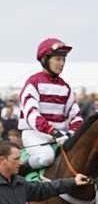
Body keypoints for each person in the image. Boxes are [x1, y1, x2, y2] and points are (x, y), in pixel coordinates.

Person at [18, 38, 84, 173]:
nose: (62, 63)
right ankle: (20, 171)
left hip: (60, 136)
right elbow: (32, 115)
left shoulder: (65, 87)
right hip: (35, 134)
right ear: (45, 60)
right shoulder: (33, 83)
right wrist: (52, 131)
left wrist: (71, 132)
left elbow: (76, 116)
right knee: (47, 157)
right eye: (58, 59)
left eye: (63, 59)